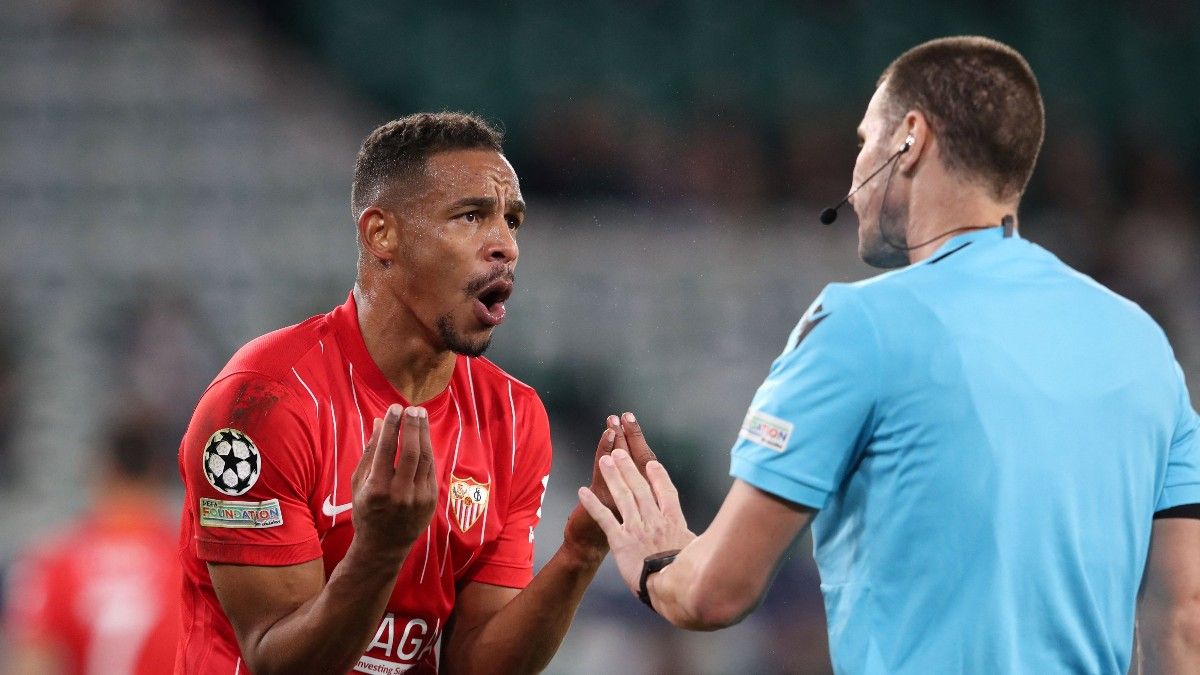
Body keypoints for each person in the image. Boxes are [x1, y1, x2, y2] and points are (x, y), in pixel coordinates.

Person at [579, 36, 1200, 673]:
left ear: (909, 139)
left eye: (862, 142)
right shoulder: (1143, 344)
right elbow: (1185, 620)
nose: (852, 177)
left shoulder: (859, 324)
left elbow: (716, 594)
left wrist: (658, 567)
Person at [175, 112, 649, 674]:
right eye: (471, 215)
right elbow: (277, 662)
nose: (505, 246)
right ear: (382, 234)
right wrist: (380, 550)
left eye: (512, 221)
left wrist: (582, 550)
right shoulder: (263, 404)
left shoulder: (515, 421)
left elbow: (475, 664)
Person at [2, 412, 182, 675]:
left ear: (102, 472)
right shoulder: (193, 563)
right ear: (159, 476)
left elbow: (31, 663)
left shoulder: (54, 562)